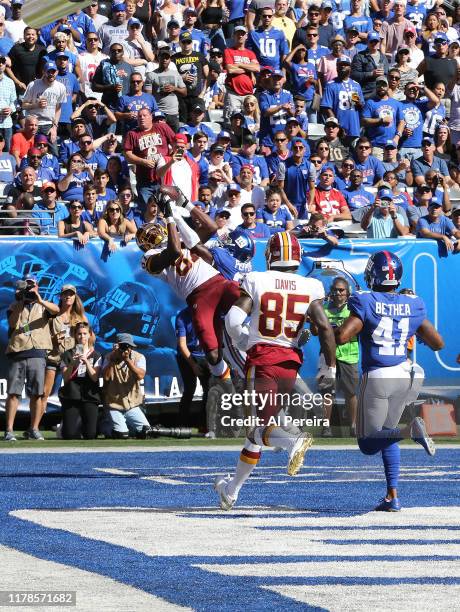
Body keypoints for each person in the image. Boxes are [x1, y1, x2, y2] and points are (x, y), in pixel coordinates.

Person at [215, 231, 336, 510]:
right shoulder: (310, 286)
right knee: (256, 431)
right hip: (290, 364)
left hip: (263, 360)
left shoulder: (258, 279)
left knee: (259, 426)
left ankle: (294, 440)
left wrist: (245, 340)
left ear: (270, 255)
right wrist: (329, 368)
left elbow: (233, 320)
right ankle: (231, 491)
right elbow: (326, 329)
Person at [335, 250, 444, 511]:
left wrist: (328, 327)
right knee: (387, 432)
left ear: (372, 273)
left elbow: (343, 337)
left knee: (367, 443)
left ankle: (411, 431)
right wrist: (409, 330)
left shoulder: (366, 300)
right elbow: (438, 343)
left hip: (379, 376)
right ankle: (392, 495)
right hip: (407, 373)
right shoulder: (413, 303)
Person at [138, 187, 240, 385]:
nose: (152, 236)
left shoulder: (180, 238)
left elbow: (211, 228)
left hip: (217, 282)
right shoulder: (148, 259)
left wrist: (186, 204)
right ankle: (225, 379)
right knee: (211, 352)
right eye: (146, 237)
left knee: (246, 294)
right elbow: (174, 252)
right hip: (198, 297)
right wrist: (169, 217)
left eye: (152, 232)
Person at [4, 275, 60, 441]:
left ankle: (34, 429)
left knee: (37, 394)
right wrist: (21, 302)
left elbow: (56, 310)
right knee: (13, 393)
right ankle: (9, 430)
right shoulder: (14, 305)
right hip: (18, 351)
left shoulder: (43, 304)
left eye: (32, 285)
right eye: (26, 285)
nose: (29, 288)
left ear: (37, 286)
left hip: (37, 352)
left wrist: (39, 299)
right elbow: (13, 324)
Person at [311, 277, 358, 437]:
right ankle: (326, 428)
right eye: (335, 290)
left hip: (348, 355)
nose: (338, 293)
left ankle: (354, 426)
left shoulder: (354, 309)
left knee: (350, 392)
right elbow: (315, 331)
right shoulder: (323, 308)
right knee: (326, 393)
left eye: (341, 290)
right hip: (326, 355)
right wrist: (312, 322)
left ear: (348, 292)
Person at [102, 332, 151, 438]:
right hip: (114, 404)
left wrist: (127, 360)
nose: (126, 349)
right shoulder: (109, 357)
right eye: (123, 346)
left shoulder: (139, 357)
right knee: (122, 434)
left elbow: (140, 376)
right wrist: (113, 359)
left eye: (128, 346)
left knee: (146, 432)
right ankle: (106, 425)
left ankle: (125, 426)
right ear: (117, 345)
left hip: (132, 405)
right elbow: (106, 378)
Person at [144, 46, 186, 132]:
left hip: (173, 112)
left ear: (170, 59)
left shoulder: (175, 73)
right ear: (158, 58)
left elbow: (184, 92)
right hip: (159, 112)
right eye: (162, 57)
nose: (165, 60)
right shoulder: (151, 75)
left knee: (174, 139)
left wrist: (174, 88)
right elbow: (148, 97)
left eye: (167, 58)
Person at [223, 26, 260, 122]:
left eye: (242, 34)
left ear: (246, 36)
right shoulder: (228, 51)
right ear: (233, 36)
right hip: (233, 94)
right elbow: (230, 70)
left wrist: (239, 64)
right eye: (237, 33)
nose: (240, 36)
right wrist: (248, 68)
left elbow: (257, 68)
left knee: (251, 122)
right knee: (231, 122)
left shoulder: (250, 53)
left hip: (248, 94)